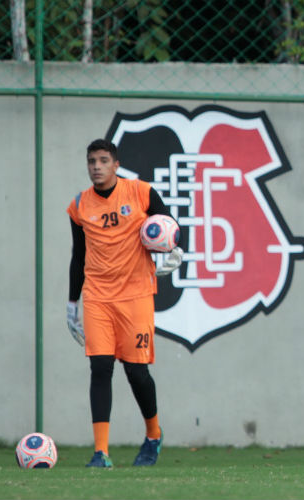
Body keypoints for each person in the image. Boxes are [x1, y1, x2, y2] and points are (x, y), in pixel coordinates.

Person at [66, 138, 184, 468]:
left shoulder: (141, 193)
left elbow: (172, 228)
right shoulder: (79, 205)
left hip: (135, 296)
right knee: (100, 367)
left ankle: (153, 435)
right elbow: (79, 256)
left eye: (103, 160)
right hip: (98, 297)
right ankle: (100, 452)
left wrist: (173, 249)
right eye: (92, 161)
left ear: (116, 165)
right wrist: (72, 302)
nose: (97, 166)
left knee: (135, 371)